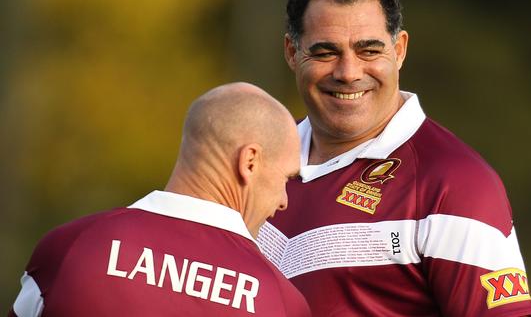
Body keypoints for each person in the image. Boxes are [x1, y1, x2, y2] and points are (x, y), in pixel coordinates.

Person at [257, 0, 531, 316]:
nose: (348, 72)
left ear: (400, 50)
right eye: (326, 52)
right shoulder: (254, 160)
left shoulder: (455, 184)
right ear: (292, 53)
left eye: (368, 50)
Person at [9, 83, 311, 316]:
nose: (284, 200)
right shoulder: (280, 301)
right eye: (286, 178)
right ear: (250, 162)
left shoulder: (70, 248)